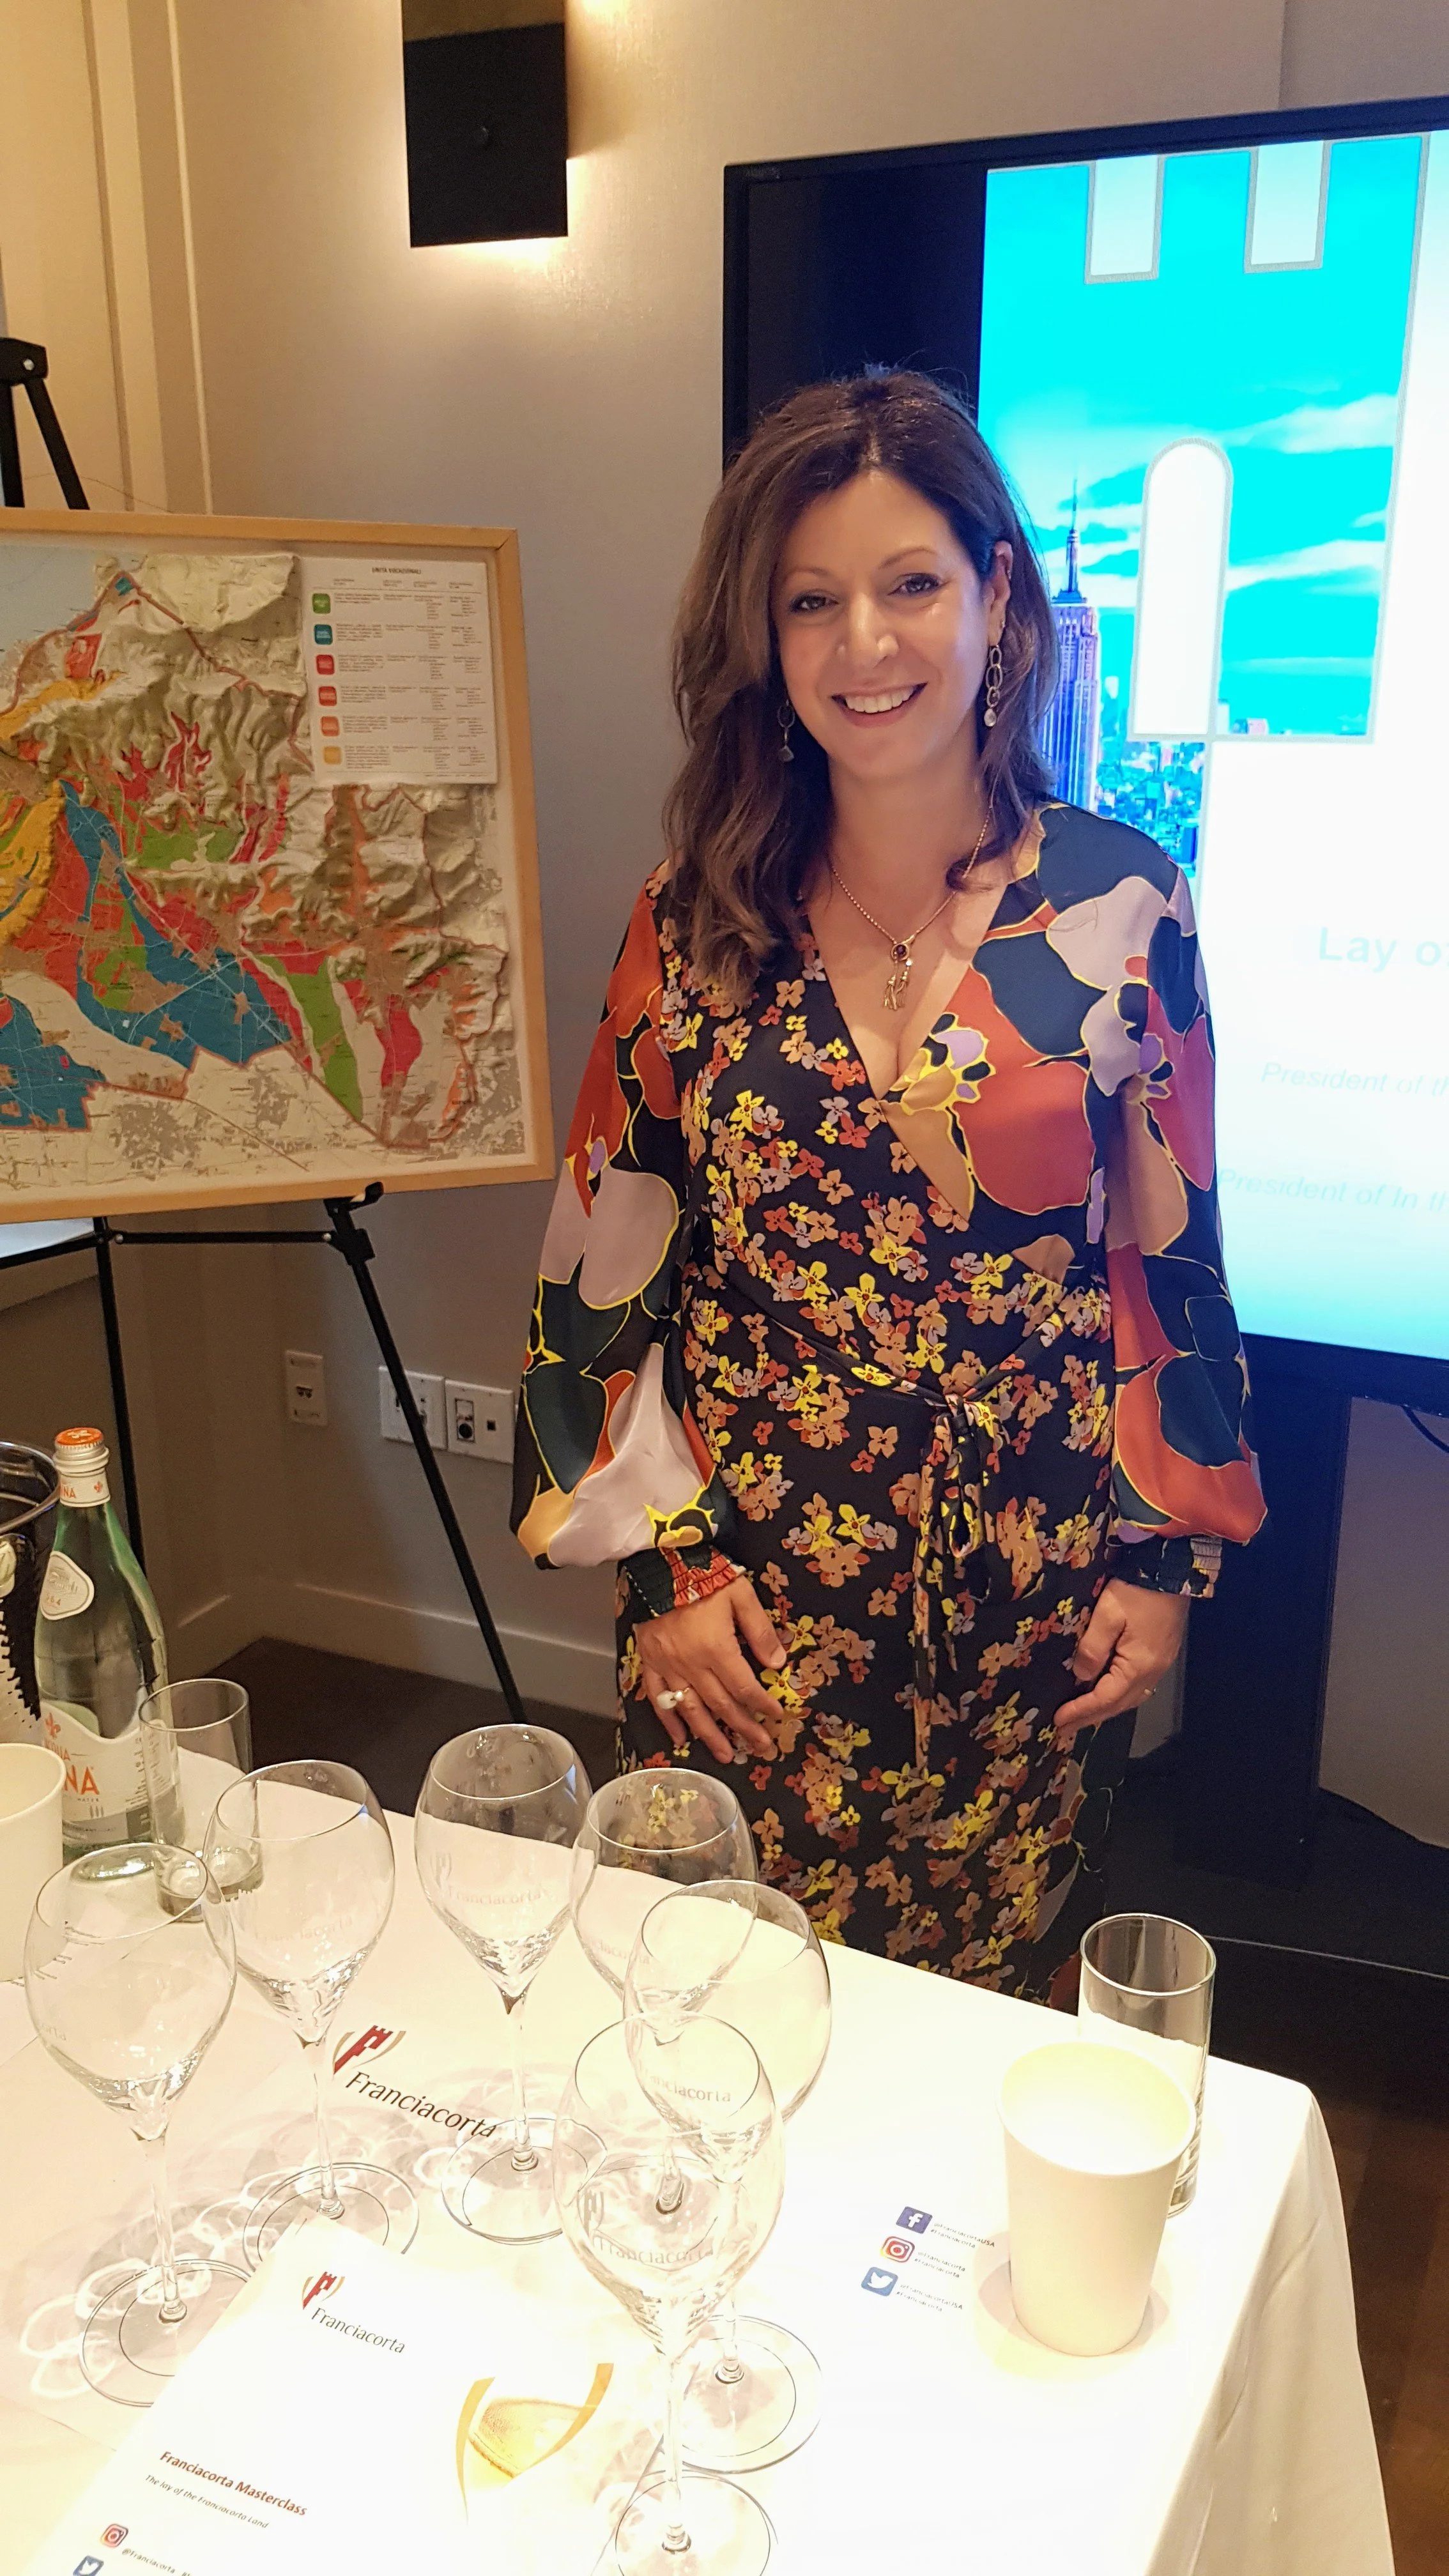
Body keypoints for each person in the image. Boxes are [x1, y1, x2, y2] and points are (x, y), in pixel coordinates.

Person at [512, 371, 1264, 1997]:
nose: (866, 644)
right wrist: (665, 1575)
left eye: (911, 583)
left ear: (998, 596)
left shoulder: (1125, 904)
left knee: (957, 2074)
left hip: (1025, 1634)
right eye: (812, 601)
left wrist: (1154, 1561)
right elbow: (602, 1275)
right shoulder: (692, 918)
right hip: (747, 1628)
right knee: (703, 2033)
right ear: (764, 643)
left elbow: (1170, 1265)